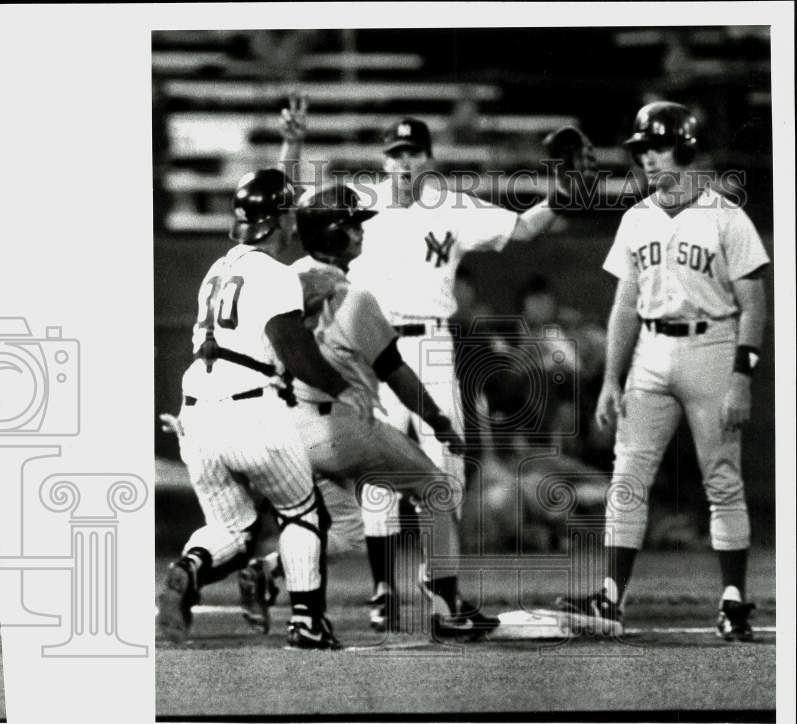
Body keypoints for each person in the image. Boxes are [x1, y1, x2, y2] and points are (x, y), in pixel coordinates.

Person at [279, 106, 596, 628]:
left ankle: (439, 587)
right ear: (385, 160)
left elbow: (524, 227)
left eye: (414, 152)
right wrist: (292, 147)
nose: (404, 161)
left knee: (445, 470)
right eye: (396, 153)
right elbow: (298, 202)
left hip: (431, 346)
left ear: (430, 159)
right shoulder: (362, 201)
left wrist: (564, 190)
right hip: (369, 347)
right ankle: (384, 592)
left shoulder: (454, 206)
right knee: (377, 475)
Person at [239, 181, 499, 640]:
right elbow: (397, 373)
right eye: (353, 226)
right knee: (435, 489)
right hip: (338, 428)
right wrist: (440, 424)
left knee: (343, 529)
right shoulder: (355, 297)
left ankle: (270, 568)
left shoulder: (277, 281)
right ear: (333, 234)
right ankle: (446, 605)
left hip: (283, 430)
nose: (361, 234)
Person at [557, 101, 769, 640]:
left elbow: (755, 301)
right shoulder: (635, 217)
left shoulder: (725, 214)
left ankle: (734, 598)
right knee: (627, 477)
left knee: (721, 477)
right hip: (651, 348)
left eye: (658, 146)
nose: (648, 158)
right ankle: (611, 598)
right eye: (642, 149)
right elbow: (625, 306)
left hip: (712, 345)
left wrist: (744, 374)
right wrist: (610, 378)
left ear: (687, 149)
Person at [157, 168, 371, 650]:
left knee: (231, 529)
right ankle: (307, 623)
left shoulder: (217, 269)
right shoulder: (276, 275)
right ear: (278, 220)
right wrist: (345, 388)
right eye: (289, 212)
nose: (295, 220)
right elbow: (293, 350)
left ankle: (187, 570)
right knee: (303, 513)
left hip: (197, 410)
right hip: (250, 406)